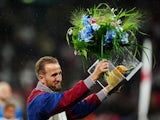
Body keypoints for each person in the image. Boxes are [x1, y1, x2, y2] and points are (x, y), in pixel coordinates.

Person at [27, 56, 117, 120]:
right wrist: (93, 77)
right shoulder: (38, 100)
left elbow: (78, 110)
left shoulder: (51, 98)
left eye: (60, 73)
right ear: (41, 78)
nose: (59, 78)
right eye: (54, 75)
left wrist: (107, 90)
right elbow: (67, 99)